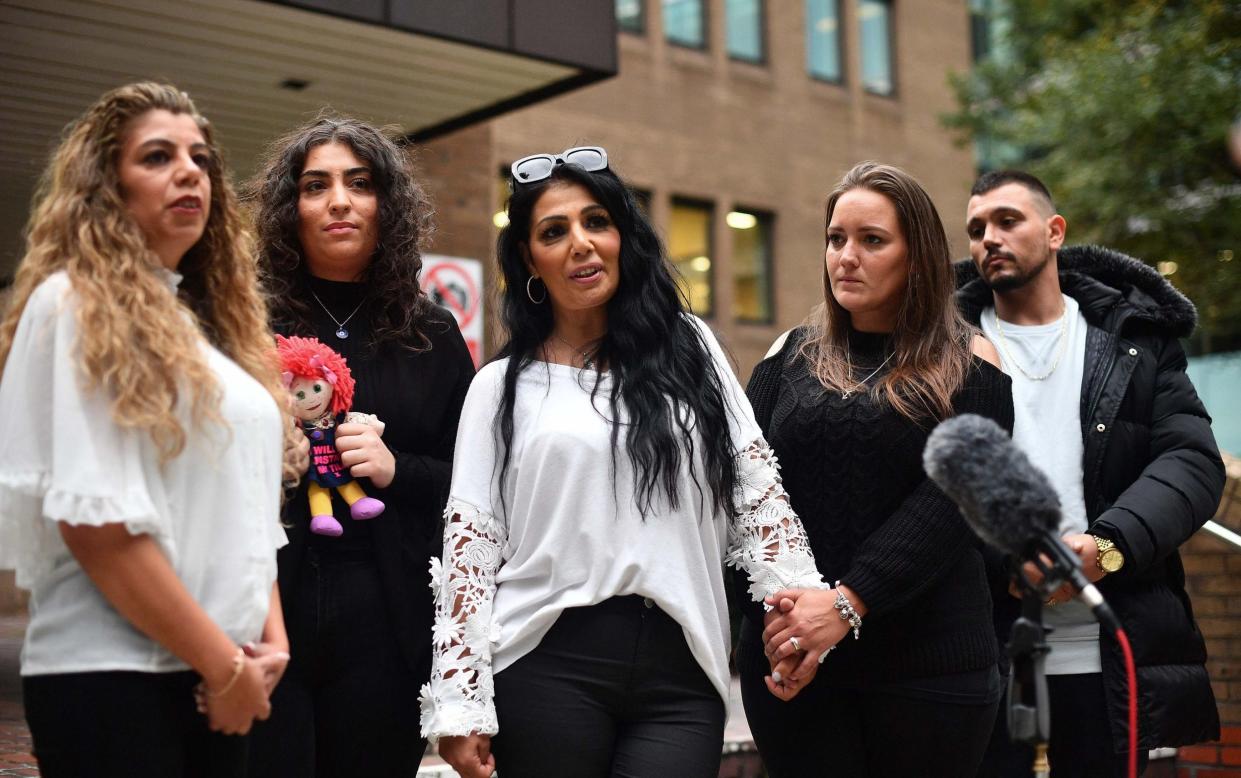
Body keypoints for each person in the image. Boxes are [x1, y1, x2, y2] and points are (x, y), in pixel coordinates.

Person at [419, 146, 829, 778]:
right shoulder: (498, 388)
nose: (581, 244)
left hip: (682, 666)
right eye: (554, 232)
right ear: (530, 260)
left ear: (621, 237)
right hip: (545, 664)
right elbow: (470, 550)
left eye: (596, 222)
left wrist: (796, 614)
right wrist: (459, 700)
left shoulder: (692, 350)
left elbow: (756, 495)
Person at [0, 82, 291, 777]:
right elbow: (99, 530)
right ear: (108, 187)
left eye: (199, 158)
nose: (190, 171)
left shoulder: (208, 331)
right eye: (157, 157)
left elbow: (246, 512)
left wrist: (268, 643)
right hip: (114, 678)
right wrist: (224, 666)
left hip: (217, 674)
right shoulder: (73, 305)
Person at [740, 161, 1015, 778]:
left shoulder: (973, 358)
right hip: (796, 662)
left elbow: (956, 501)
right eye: (836, 239)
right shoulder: (788, 355)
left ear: (916, 256)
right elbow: (743, 488)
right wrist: (776, 627)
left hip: (930, 669)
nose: (846, 256)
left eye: (871, 241)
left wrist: (847, 604)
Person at [961, 170, 1224, 777]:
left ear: (1055, 232)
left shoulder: (1132, 337)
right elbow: (926, 483)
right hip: (988, 653)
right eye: (977, 229)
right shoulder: (946, 346)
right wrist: (1007, 563)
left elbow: (1190, 461)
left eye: (1007, 221)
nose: (988, 240)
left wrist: (1105, 546)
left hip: (1108, 649)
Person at [244, 116, 475, 778]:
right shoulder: (244, 318)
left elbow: (472, 486)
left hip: (385, 611)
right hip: (264, 604)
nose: (339, 200)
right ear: (291, 209)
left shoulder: (430, 332)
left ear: (387, 206)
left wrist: (396, 470)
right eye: (315, 186)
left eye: (359, 183)